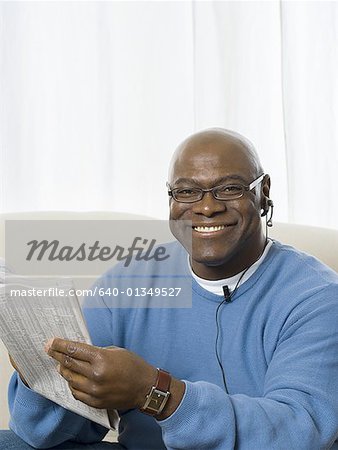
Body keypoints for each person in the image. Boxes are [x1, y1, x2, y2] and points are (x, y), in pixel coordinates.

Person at [2, 128, 338, 449]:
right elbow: (40, 433)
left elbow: (301, 433)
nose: (207, 207)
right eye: (187, 191)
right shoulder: (128, 282)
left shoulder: (316, 297)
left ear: (263, 193)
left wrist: (157, 392)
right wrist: (40, 373)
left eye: (230, 188)